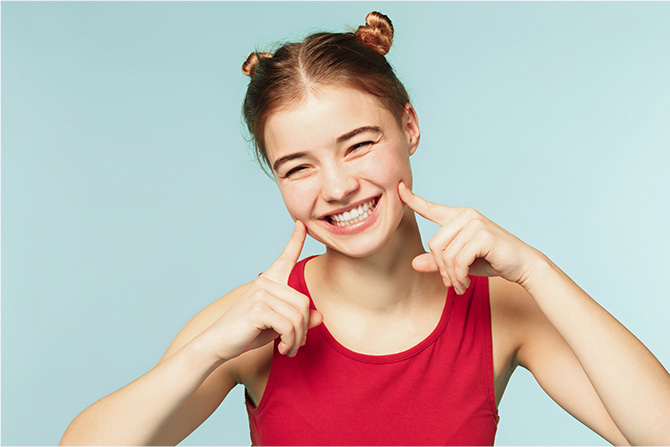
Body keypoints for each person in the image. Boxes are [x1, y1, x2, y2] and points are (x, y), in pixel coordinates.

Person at [60, 11, 670, 446]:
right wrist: (210, 350)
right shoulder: (251, 324)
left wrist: (535, 270)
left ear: (409, 126)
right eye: (298, 167)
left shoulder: (503, 310)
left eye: (358, 145)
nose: (337, 187)